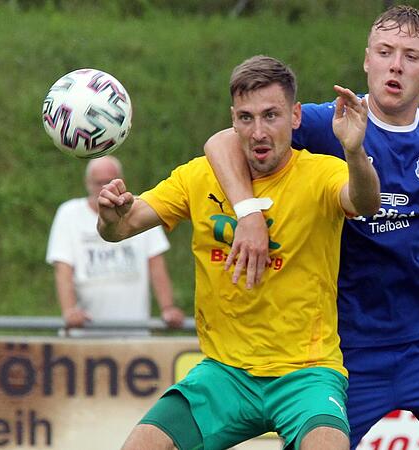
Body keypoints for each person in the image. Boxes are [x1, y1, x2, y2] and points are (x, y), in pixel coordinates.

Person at [203, 5, 419, 450]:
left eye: (411, 56)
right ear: (367, 60)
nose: (396, 64)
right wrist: (248, 213)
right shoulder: (331, 121)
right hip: (346, 348)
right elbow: (222, 141)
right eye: (385, 51)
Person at [97, 55, 380, 449]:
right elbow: (122, 227)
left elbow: (365, 201)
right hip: (224, 374)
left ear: (296, 116)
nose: (259, 131)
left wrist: (353, 150)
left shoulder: (320, 173)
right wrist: (111, 216)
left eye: (271, 116)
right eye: (246, 118)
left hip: (306, 373)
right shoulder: (198, 176)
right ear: (233, 120)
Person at [46, 155, 184, 335]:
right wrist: (70, 311)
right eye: (98, 183)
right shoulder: (69, 214)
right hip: (85, 334)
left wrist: (168, 307)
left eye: (109, 182)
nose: (104, 189)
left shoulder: (141, 209)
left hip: (135, 334)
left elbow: (156, 263)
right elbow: (63, 269)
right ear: (87, 183)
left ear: (121, 182)